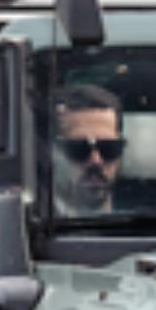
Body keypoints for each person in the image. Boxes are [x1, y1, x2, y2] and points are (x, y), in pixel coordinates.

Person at [53, 83, 125, 215]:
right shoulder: (27, 227)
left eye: (109, 149)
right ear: (53, 153)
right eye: (79, 149)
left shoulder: (147, 226)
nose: (96, 161)